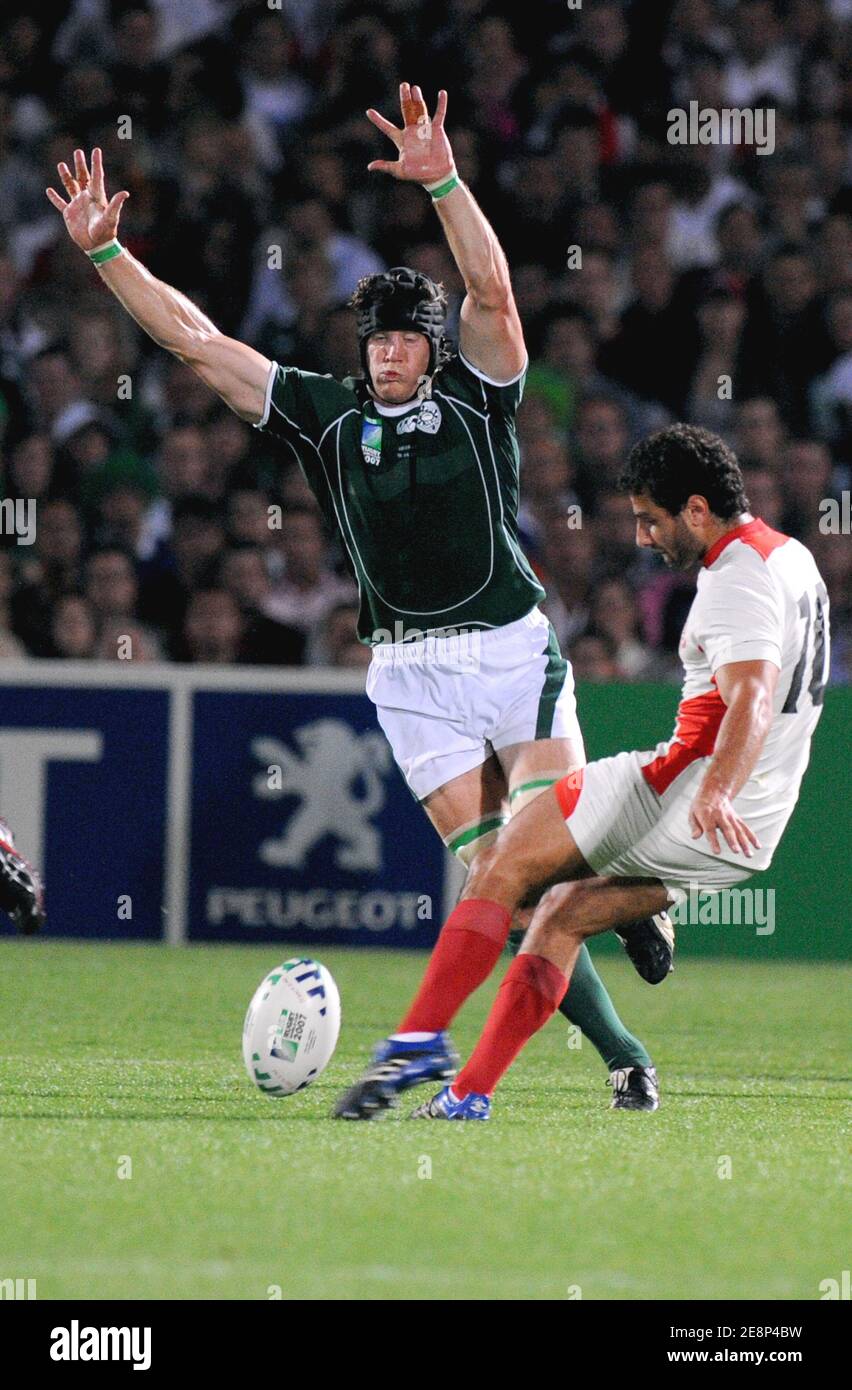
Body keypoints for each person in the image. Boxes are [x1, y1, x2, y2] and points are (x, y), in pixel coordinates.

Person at [45, 86, 670, 1122]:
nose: (388, 352)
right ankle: (625, 1053)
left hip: (515, 653)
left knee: (548, 869)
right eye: (375, 339)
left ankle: (623, 898)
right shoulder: (323, 418)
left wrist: (447, 183)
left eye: (406, 339)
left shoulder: (479, 396)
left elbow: (496, 292)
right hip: (409, 674)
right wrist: (111, 257)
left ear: (431, 348)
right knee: (502, 894)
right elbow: (197, 344)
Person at [409, 425, 829, 1119]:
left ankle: (418, 1042)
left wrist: (716, 787)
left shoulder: (737, 579)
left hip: (677, 794)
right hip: (749, 836)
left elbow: (752, 694)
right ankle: (468, 1095)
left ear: (698, 510)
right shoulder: (793, 559)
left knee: (498, 868)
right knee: (560, 918)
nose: (642, 538)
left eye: (650, 519)